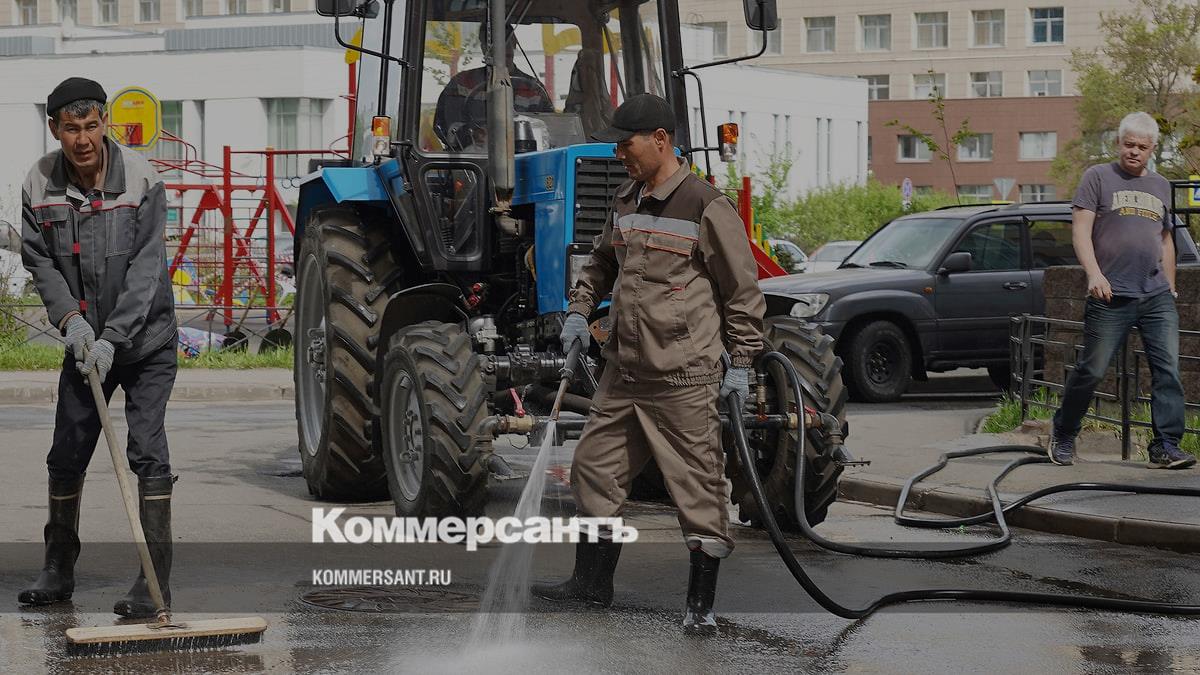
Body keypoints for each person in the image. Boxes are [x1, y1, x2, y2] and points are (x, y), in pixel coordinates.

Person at [531, 93, 766, 628]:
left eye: (626, 144)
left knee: (699, 490)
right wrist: (579, 310)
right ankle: (590, 587)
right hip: (624, 373)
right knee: (594, 470)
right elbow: (601, 262)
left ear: (660, 139)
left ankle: (699, 609)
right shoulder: (627, 199)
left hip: (683, 377)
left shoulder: (706, 206)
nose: (619, 154)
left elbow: (742, 292)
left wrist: (741, 363)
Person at [18, 77, 180, 616]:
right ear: (54, 129)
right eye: (72, 128)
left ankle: (154, 581)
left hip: (147, 341)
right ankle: (57, 567)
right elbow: (41, 262)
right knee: (67, 452)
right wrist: (71, 321)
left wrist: (113, 336)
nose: (83, 139)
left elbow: (146, 267)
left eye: (91, 126)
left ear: (105, 122)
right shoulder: (38, 183)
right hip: (84, 344)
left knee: (147, 450)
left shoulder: (142, 179)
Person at [1049, 111, 1194, 470]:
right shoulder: (1097, 177)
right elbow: (1080, 231)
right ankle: (1064, 433)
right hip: (1110, 294)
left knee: (1168, 370)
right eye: (1129, 144)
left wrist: (1171, 286)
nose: (1134, 152)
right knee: (1093, 369)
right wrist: (1094, 274)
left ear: (1152, 149)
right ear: (1118, 143)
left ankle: (1165, 446)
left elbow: (1165, 239)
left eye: (1142, 147)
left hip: (1155, 295)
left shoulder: (1160, 185)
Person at [433, 22, 554, 151]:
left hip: (524, 158)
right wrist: (471, 134)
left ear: (514, 44)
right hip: (472, 160)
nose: (503, 48)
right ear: (484, 48)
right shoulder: (461, 83)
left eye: (508, 41)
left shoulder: (534, 89)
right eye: (494, 43)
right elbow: (445, 126)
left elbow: (550, 130)